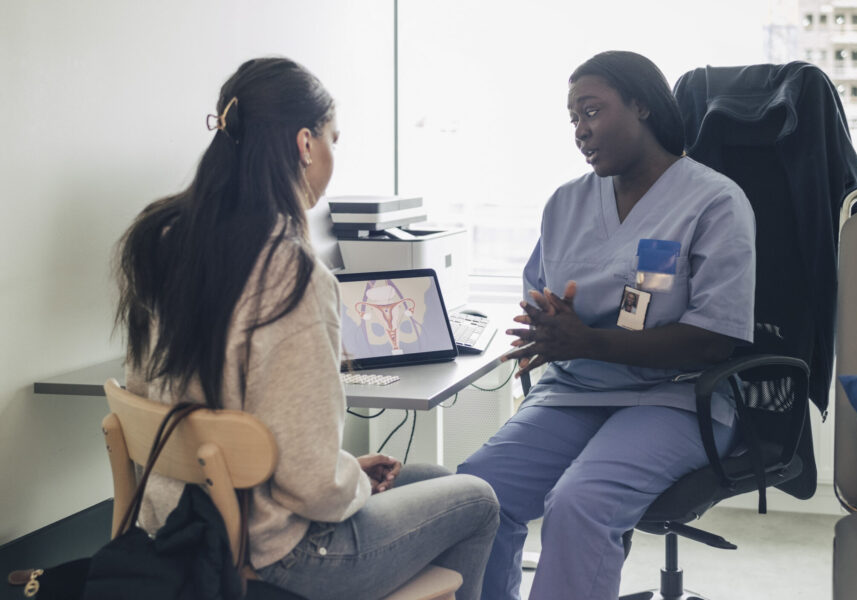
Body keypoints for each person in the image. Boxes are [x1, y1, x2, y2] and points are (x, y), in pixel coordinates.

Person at [115, 57, 499, 600]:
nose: (332, 157)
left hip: (180, 522)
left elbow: (229, 419)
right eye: (333, 140)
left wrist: (347, 471)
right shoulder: (290, 272)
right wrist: (344, 478)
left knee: (435, 479)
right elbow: (313, 486)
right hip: (281, 553)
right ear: (305, 145)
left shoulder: (164, 237)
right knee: (477, 499)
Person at [456, 51, 756, 599]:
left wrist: (588, 339)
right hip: (575, 390)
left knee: (580, 503)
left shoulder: (713, 201)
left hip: (677, 399)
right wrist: (547, 328)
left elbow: (716, 339)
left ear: (641, 104)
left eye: (591, 111)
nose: (580, 130)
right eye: (573, 119)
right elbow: (541, 296)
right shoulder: (566, 203)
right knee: (476, 492)